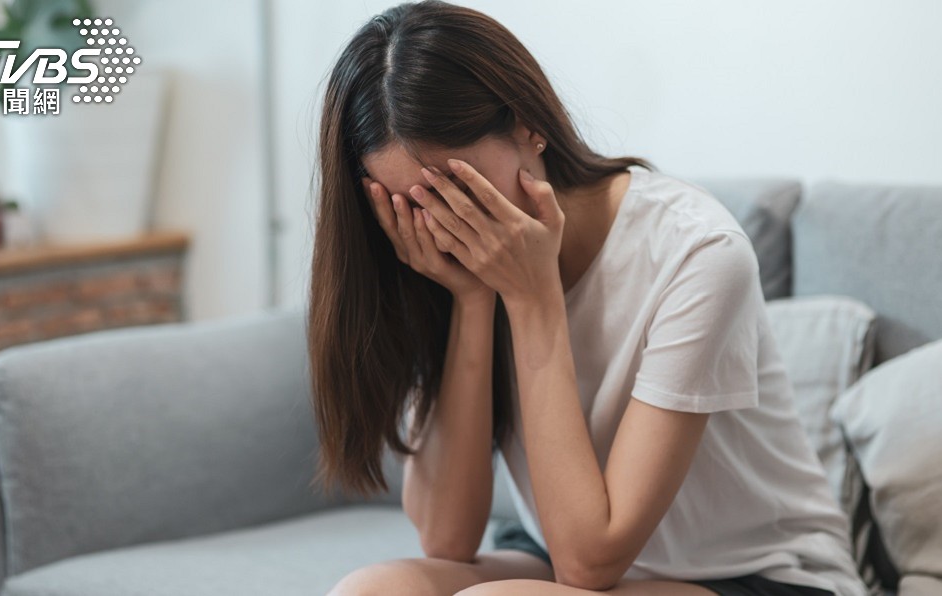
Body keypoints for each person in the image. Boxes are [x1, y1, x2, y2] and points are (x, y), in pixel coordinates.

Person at [309, 2, 868, 595]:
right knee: (370, 589)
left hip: (756, 571)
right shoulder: (443, 266)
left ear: (529, 126)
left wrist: (532, 300)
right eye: (416, 204)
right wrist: (473, 301)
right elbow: (447, 538)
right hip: (564, 551)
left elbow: (589, 565)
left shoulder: (697, 252)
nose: (448, 224)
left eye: (459, 187)